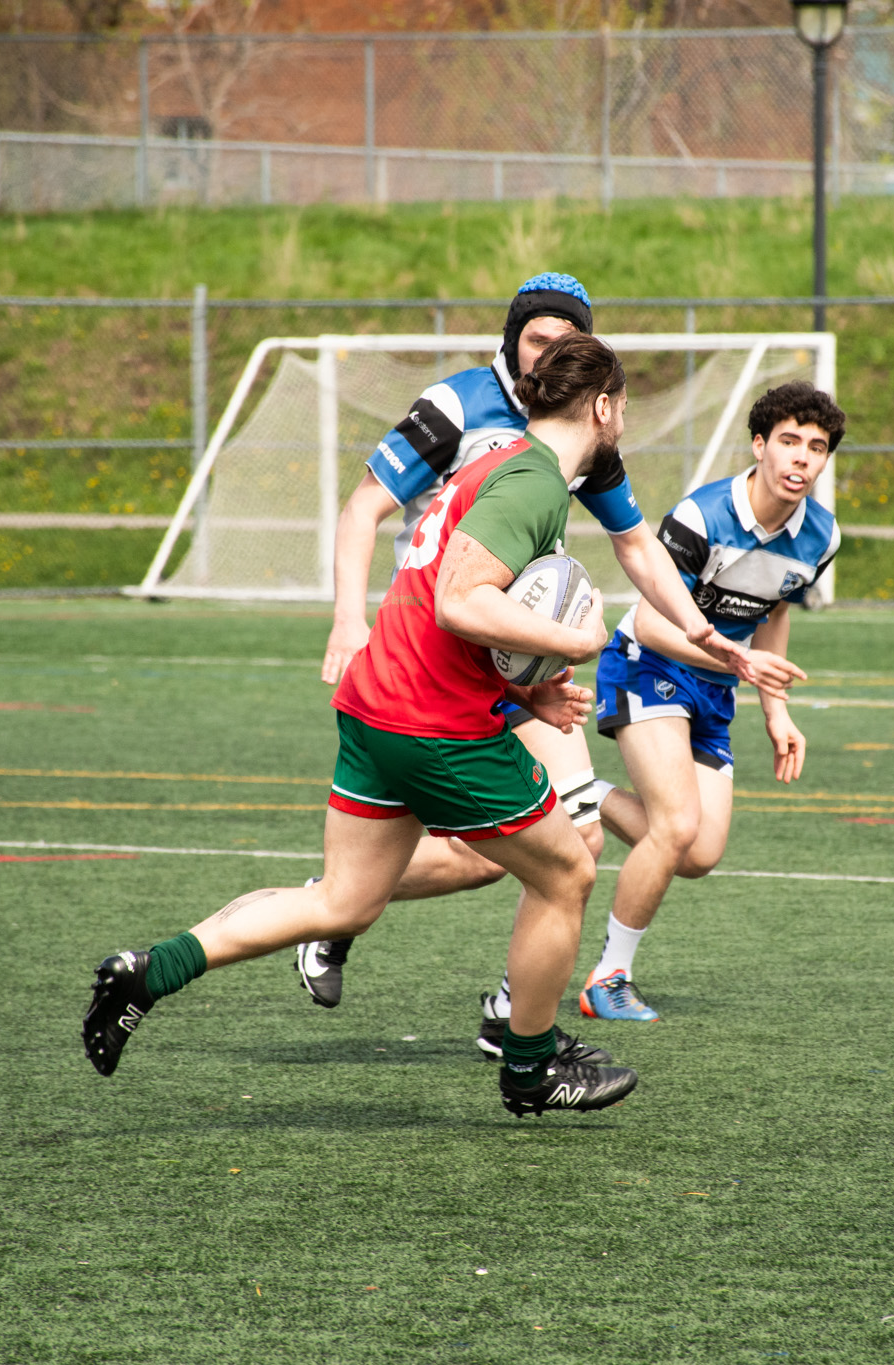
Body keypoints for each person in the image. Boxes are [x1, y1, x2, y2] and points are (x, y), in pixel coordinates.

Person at [85, 334, 725, 1115]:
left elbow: (442, 611)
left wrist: (529, 698)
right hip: (432, 723)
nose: (623, 417)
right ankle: (529, 1068)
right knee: (567, 871)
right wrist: (578, 641)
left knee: (344, 902)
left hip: (377, 701)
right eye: (622, 404)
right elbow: (462, 600)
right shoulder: (531, 483)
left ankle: (149, 971)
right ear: (602, 406)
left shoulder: (495, 463)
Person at [302, 272, 752, 1047]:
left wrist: (699, 626)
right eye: (537, 337)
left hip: (516, 661)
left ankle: (512, 1011)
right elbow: (363, 508)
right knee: (512, 853)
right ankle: (335, 906)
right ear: (511, 340)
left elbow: (635, 543)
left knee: (573, 836)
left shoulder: (577, 425)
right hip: (434, 656)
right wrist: (348, 621)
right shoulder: (457, 406)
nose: (548, 352)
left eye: (564, 342)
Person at [572, 381, 834, 1022]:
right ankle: (608, 978)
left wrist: (776, 710)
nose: (801, 459)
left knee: (699, 854)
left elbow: (771, 612)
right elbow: (655, 622)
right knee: (675, 826)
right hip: (647, 665)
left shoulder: (820, 536)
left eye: (817, 448)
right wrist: (735, 657)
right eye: (789, 442)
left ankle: (583, 795)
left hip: (716, 685)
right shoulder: (701, 517)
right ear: (759, 445)